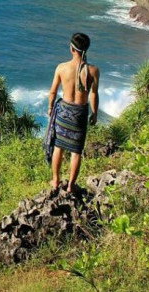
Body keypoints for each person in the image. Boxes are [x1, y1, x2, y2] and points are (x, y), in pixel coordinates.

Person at [47, 33, 100, 193]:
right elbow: (94, 93)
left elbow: (53, 92)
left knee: (59, 147)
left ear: (71, 49)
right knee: (76, 152)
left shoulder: (62, 68)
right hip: (80, 113)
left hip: (64, 111)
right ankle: (71, 186)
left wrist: (50, 108)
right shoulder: (93, 70)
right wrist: (95, 113)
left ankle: (56, 181)